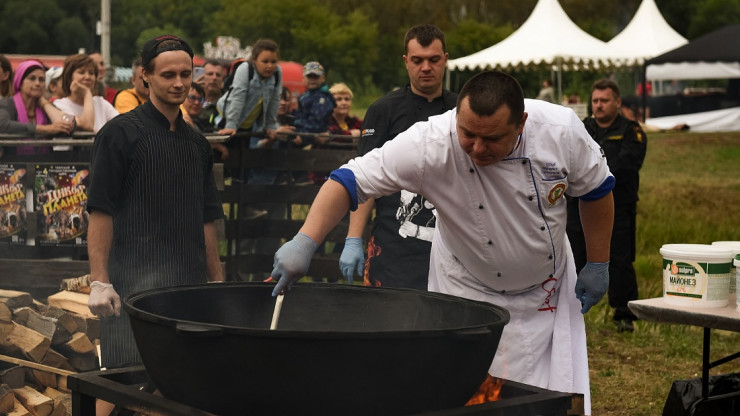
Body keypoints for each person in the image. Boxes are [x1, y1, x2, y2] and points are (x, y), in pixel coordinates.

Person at [270, 71, 614, 415]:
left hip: (547, 288)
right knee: (461, 391)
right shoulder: (429, 143)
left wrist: (599, 263)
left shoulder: (561, 131)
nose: (477, 148)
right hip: (466, 287)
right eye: (468, 134)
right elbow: (349, 180)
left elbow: (596, 189)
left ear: (521, 123)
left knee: (550, 399)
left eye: (491, 138)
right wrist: (305, 240)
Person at [85, 36, 224, 415]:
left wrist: (214, 282)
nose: (179, 83)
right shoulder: (119, 134)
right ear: (145, 76)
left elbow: (208, 217)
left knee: (180, 384)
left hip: (188, 287)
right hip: (132, 290)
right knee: (119, 383)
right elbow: (100, 211)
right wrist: (100, 280)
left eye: (186, 73)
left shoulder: (197, 144)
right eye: (168, 75)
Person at [339, 24, 457, 288]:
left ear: (445, 60)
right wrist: (353, 238)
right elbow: (363, 177)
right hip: (393, 245)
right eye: (417, 60)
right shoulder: (383, 110)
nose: (425, 67)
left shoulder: (461, 110)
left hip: (451, 246)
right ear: (406, 61)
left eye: (433, 60)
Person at [567, 79, 646, 333]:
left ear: (618, 102)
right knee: (573, 255)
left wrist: (591, 171)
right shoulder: (582, 128)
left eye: (605, 101)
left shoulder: (630, 131)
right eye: (595, 101)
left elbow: (624, 165)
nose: (599, 106)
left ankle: (624, 313)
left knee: (620, 260)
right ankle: (570, 311)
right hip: (579, 205)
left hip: (619, 206)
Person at [0, 60, 74, 155]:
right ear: (20, 82)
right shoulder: (8, 104)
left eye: (41, 79)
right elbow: (2, 125)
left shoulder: (45, 106)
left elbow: (70, 125)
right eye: (32, 78)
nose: (37, 83)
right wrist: (46, 129)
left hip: (43, 166)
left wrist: (44, 103)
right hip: (14, 166)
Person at [307, 82, 362, 186]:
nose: (344, 102)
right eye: (339, 99)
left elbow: (368, 129)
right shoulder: (324, 120)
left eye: (347, 99)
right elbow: (331, 134)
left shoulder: (352, 121)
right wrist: (351, 135)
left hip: (347, 171)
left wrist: (361, 133)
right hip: (324, 174)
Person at [53, 54, 119, 133]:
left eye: (91, 73)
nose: (87, 77)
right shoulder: (59, 105)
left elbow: (122, 126)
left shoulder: (101, 103)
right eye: (81, 72)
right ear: (69, 77)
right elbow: (87, 126)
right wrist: (87, 93)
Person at [291, 61, 335, 148]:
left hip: (313, 135)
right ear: (303, 79)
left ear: (322, 78)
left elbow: (316, 124)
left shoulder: (323, 98)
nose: (312, 79)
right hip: (302, 131)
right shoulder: (304, 96)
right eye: (309, 76)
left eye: (316, 76)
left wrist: (299, 134)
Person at [196, 59, 224, 130]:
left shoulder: (226, 103)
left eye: (218, 75)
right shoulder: (189, 98)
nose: (214, 78)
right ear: (201, 77)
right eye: (210, 74)